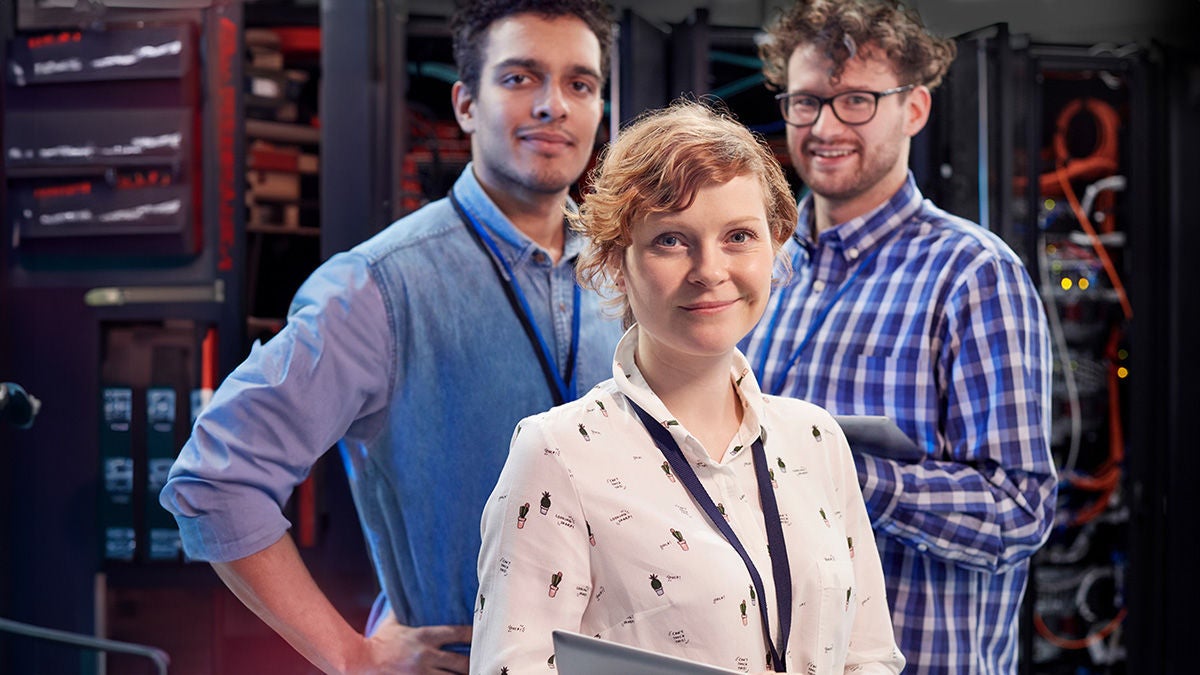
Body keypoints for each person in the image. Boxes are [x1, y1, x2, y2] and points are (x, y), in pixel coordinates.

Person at [159, 1, 622, 672]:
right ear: (465, 103)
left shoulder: (626, 273)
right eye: (520, 78)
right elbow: (215, 480)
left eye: (579, 84)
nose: (554, 105)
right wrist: (350, 655)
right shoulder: (375, 288)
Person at [472, 100, 905, 675]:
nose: (710, 269)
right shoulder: (558, 452)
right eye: (671, 240)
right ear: (615, 261)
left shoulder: (816, 439)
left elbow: (870, 656)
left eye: (739, 236)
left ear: (775, 247)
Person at [742, 2, 1057, 674]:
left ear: (914, 109)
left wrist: (854, 477)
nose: (825, 126)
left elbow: (1021, 510)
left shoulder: (974, 274)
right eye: (806, 102)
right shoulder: (759, 263)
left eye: (856, 100)